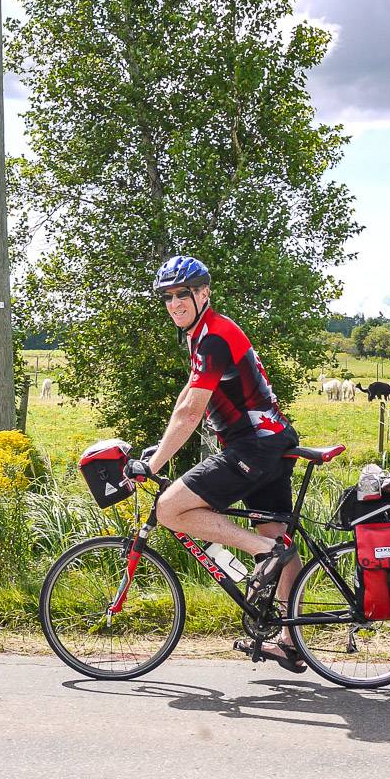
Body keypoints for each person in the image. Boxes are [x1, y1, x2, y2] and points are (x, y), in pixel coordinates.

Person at [126, 255, 305, 673]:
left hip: (253, 447)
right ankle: (289, 640)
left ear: (203, 294)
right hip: (272, 443)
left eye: (181, 294)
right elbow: (186, 400)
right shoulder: (201, 334)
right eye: (167, 297)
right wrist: (159, 449)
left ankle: (264, 553)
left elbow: (192, 414)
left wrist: (153, 468)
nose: (174, 303)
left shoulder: (214, 338)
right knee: (280, 534)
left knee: (171, 509)